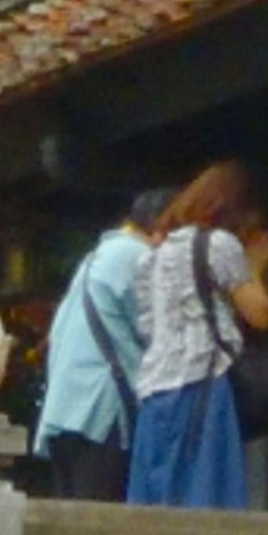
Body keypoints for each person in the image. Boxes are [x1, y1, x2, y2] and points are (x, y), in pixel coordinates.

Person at [127, 161, 268, 510]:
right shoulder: (219, 245)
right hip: (202, 382)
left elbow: (147, 326)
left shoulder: (154, 256)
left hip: (155, 389)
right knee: (206, 498)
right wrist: (254, 268)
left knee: (159, 502)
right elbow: (260, 314)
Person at [35, 189, 165, 501]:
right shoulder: (137, 257)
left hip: (64, 409)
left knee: (72, 524)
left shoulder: (94, 259)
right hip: (101, 411)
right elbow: (160, 333)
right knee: (101, 525)